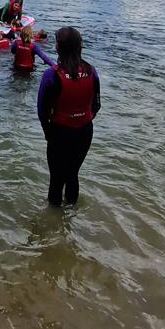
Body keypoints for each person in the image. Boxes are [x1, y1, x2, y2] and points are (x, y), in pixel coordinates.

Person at [37, 27, 100, 206]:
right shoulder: (91, 71)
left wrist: (48, 132)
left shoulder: (51, 74)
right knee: (72, 174)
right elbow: (96, 105)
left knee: (56, 180)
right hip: (85, 132)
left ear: (58, 48)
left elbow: (42, 111)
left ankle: (55, 224)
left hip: (59, 132)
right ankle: (71, 220)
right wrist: (82, 118)